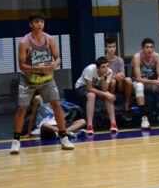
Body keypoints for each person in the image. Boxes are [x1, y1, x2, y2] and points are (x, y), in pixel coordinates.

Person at [9, 12, 74, 154]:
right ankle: (16, 141)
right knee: (22, 108)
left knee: (56, 104)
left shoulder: (49, 39)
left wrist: (53, 65)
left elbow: (58, 58)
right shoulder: (24, 42)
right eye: (36, 22)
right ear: (30, 24)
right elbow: (21, 65)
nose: (40, 24)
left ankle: (64, 138)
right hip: (28, 80)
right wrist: (37, 68)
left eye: (42, 22)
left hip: (47, 79)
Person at [131, 37, 159, 130]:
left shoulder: (156, 56)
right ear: (142, 48)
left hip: (151, 83)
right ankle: (144, 118)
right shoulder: (137, 57)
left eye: (151, 47)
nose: (149, 49)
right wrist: (153, 81)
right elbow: (138, 78)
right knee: (139, 86)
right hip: (138, 83)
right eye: (147, 47)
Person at [74, 56, 118, 135]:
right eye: (103, 67)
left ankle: (113, 124)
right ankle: (89, 126)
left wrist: (105, 77)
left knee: (109, 97)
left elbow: (104, 89)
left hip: (95, 87)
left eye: (107, 66)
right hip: (81, 86)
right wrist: (105, 93)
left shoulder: (109, 72)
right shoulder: (90, 69)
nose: (106, 69)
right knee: (92, 95)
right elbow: (89, 88)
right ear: (98, 68)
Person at [104, 35, 133, 119]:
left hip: (119, 84)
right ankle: (110, 107)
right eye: (109, 47)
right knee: (112, 81)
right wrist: (115, 76)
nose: (112, 49)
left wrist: (115, 76)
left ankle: (127, 105)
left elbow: (122, 74)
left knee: (128, 80)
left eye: (113, 46)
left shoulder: (119, 60)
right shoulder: (103, 60)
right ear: (106, 48)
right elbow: (104, 76)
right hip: (108, 84)